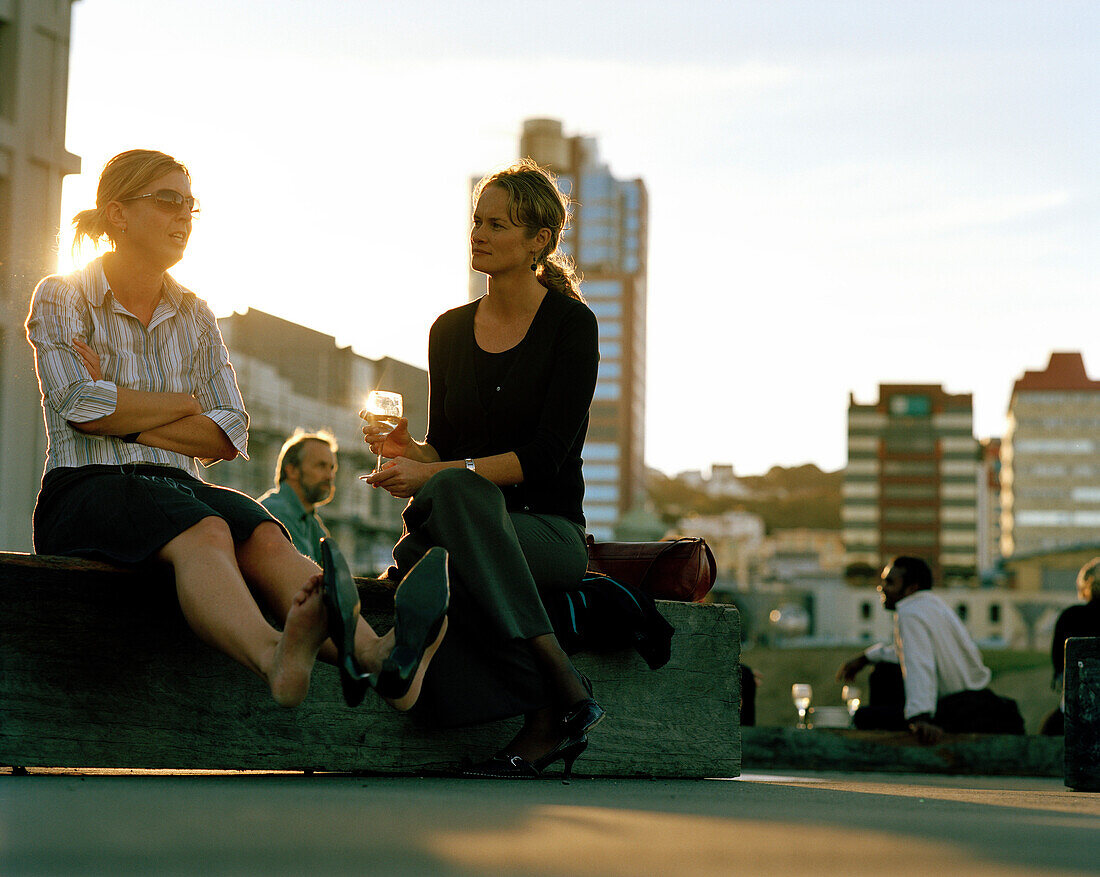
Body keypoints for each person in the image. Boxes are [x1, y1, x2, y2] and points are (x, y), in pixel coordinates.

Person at [25, 148, 447, 713]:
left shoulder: (195, 312)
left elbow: (229, 431)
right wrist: (180, 403)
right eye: (168, 200)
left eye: (191, 205)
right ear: (118, 214)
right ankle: (275, 655)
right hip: (85, 488)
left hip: (180, 489)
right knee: (206, 530)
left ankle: (379, 657)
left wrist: (123, 412)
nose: (184, 216)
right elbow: (79, 402)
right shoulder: (62, 295)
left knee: (265, 533)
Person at [360, 159, 602, 778]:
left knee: (456, 506)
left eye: (498, 224)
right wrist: (410, 451)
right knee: (458, 504)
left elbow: (545, 457)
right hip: (470, 530)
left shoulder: (572, 327)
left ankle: (551, 698)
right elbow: (445, 448)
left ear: (539, 241)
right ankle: (560, 689)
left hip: (547, 532)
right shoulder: (448, 330)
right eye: (477, 221)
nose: (480, 234)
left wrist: (441, 477)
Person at [836, 556, 1023, 744]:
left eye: (890, 582)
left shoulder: (910, 612)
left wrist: (920, 718)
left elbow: (919, 663)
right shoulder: (931, 605)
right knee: (884, 671)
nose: (881, 587)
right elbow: (905, 652)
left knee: (864, 717)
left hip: (959, 709)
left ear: (912, 588)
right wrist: (865, 658)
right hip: (973, 702)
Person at [1040, 557, 1100, 735]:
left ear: (1085, 586)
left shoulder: (1069, 618)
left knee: (1048, 730)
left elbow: (1059, 675)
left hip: (1075, 718)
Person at [259, 431, 337, 565]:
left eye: (331, 468)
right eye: (321, 466)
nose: (330, 476)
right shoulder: (276, 513)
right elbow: (309, 577)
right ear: (292, 470)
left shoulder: (311, 522)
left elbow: (332, 574)